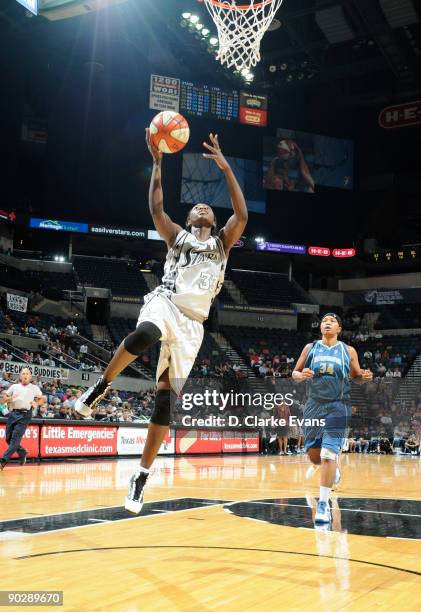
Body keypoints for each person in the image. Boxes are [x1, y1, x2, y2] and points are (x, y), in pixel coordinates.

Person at [75, 131, 248, 513]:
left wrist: (225, 168)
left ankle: (141, 475)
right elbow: (156, 210)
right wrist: (157, 164)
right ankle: (101, 386)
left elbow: (242, 214)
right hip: (165, 303)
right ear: (189, 218)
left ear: (213, 219)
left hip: (193, 325)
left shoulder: (222, 242)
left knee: (165, 404)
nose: (203, 207)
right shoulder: (179, 236)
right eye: (197, 207)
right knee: (144, 334)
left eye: (207, 207)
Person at [292, 313, 372, 524]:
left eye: (332, 321)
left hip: (338, 405)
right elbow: (294, 373)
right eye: (324, 321)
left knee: (328, 454)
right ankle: (333, 469)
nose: (327, 323)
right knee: (315, 457)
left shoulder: (348, 350)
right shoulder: (310, 349)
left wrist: (363, 377)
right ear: (320, 328)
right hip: (313, 406)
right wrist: (301, 376)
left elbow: (356, 377)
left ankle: (322, 504)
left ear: (339, 328)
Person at [0, 368, 42, 469]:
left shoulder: (34, 388)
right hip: (13, 413)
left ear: (30, 376)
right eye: (23, 373)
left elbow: (42, 399)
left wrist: (36, 403)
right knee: (8, 439)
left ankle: (3, 460)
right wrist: (12, 398)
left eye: (27, 373)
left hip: (25, 415)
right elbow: (4, 399)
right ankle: (22, 452)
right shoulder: (14, 386)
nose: (25, 375)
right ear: (20, 376)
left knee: (15, 440)